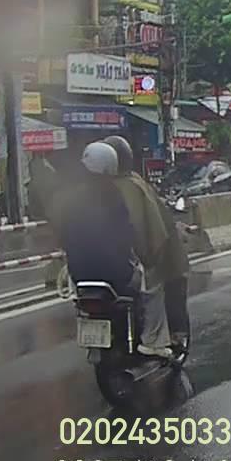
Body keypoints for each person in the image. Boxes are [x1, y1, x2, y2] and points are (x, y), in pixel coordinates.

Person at [56, 142, 173, 358]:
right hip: (115, 274)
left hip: (79, 276)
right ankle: (152, 343)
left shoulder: (70, 198)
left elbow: (63, 235)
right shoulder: (113, 194)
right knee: (152, 288)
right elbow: (127, 232)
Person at [104, 136, 191, 349]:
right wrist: (148, 258)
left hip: (99, 265)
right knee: (170, 281)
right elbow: (150, 230)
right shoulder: (132, 186)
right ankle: (169, 338)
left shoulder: (92, 189)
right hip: (132, 259)